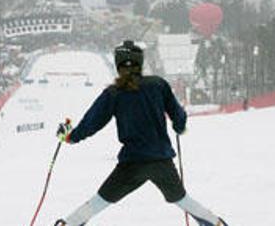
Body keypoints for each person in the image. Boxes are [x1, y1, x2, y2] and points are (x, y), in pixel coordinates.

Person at [53, 40, 228, 226]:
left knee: (102, 199)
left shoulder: (113, 93)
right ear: (140, 62)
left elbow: (92, 122)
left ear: (118, 64)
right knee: (180, 198)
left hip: (132, 162)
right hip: (160, 159)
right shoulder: (158, 85)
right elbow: (178, 114)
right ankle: (215, 223)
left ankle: (69, 223)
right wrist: (179, 126)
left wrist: (71, 136)